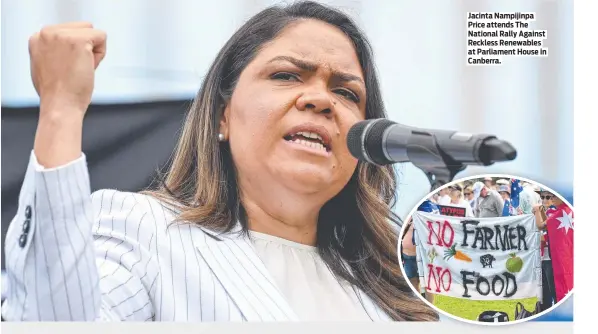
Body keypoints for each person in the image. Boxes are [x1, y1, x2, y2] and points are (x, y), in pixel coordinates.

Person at [1, 2, 437, 322]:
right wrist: (61, 108)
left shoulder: (402, 285)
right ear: (221, 117)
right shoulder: (143, 229)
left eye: (346, 93)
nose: (321, 100)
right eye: (286, 75)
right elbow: (50, 323)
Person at [533, 193, 573, 304]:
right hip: (565, 256)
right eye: (545, 197)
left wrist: (536, 210)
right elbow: (549, 225)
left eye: (552, 196)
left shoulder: (559, 212)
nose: (551, 199)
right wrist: (541, 212)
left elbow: (541, 226)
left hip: (557, 259)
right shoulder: (566, 211)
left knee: (556, 292)